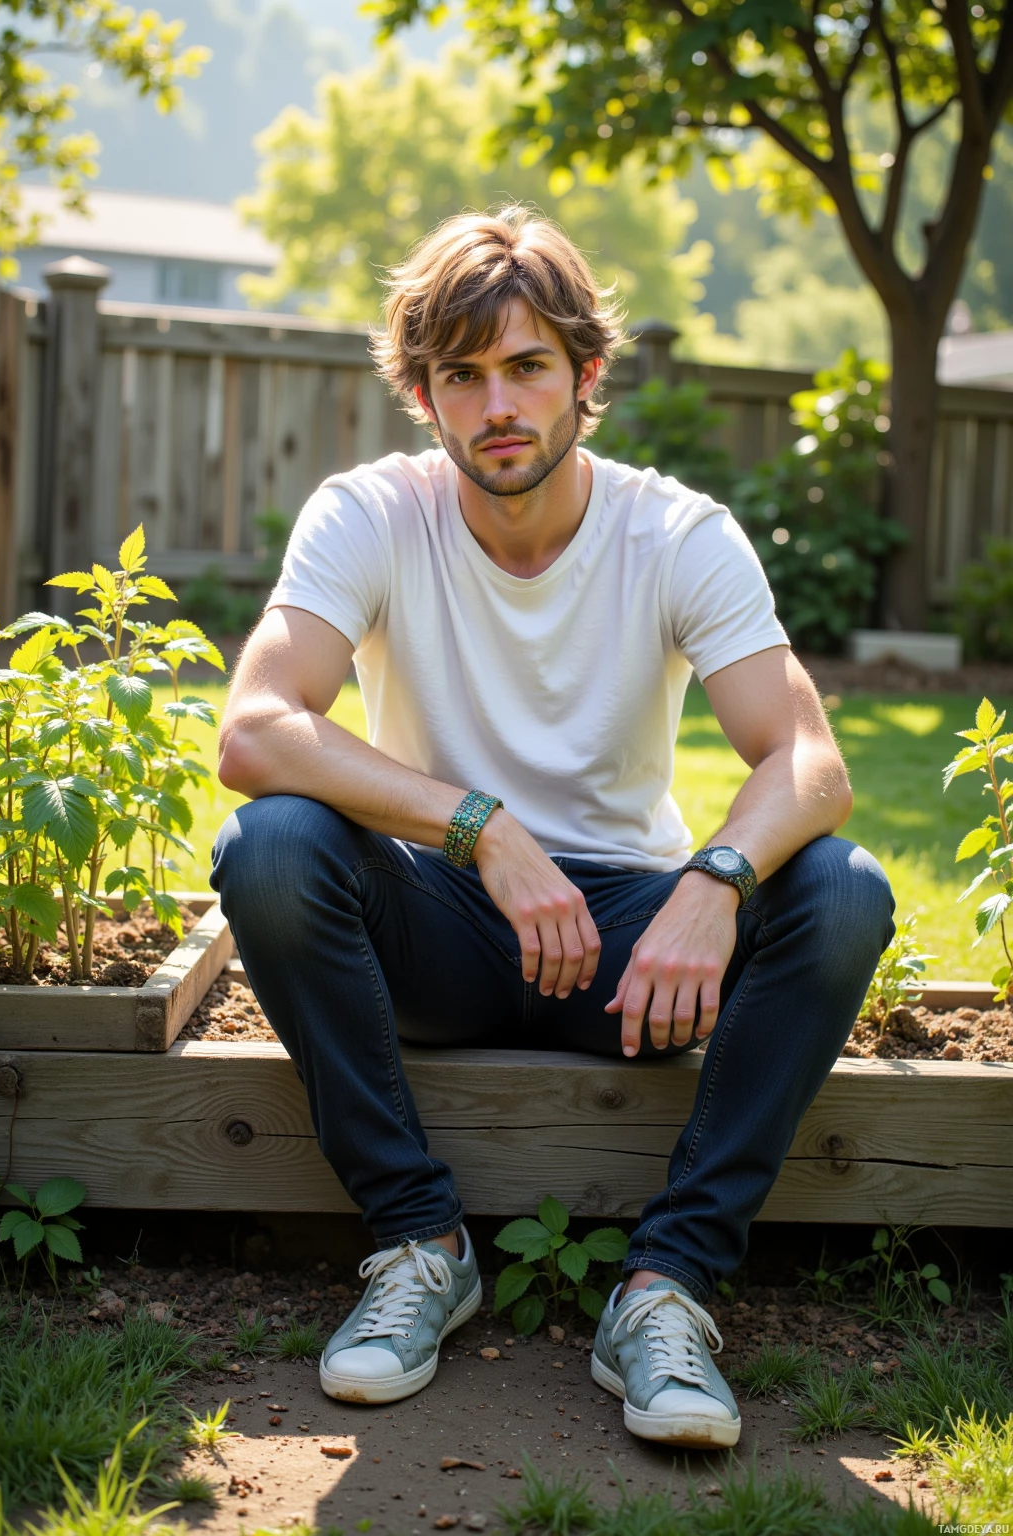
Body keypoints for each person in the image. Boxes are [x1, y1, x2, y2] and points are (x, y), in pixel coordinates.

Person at [211, 204, 894, 1448]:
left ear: (585, 374)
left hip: (636, 953)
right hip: (439, 923)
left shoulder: (676, 532)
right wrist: (480, 826)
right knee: (270, 846)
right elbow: (255, 729)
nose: (497, 405)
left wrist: (717, 881)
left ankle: (666, 1286)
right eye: (460, 376)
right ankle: (420, 1245)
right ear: (423, 396)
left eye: (526, 366)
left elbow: (807, 759)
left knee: (840, 888)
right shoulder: (370, 512)